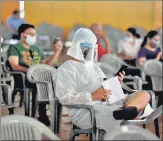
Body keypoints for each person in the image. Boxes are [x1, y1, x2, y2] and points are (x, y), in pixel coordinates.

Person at [55, 28, 153, 139]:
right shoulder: (67, 69)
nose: (91, 50)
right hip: (87, 110)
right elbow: (65, 98)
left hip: (108, 102)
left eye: (92, 47)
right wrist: (92, 96)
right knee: (131, 114)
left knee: (144, 94)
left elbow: (104, 85)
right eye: (88, 46)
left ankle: (127, 110)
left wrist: (115, 82)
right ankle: (128, 113)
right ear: (78, 46)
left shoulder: (93, 67)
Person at [7, 23, 63, 125]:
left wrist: (57, 51)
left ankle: (43, 113)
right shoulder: (14, 48)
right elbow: (15, 66)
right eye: (31, 34)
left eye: (34, 34)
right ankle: (41, 113)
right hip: (24, 78)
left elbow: (47, 64)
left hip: (39, 77)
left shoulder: (36, 49)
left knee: (54, 80)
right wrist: (31, 71)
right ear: (23, 35)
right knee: (43, 81)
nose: (34, 36)